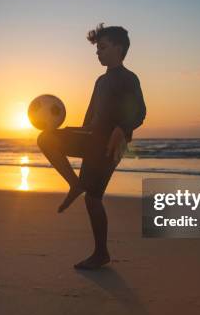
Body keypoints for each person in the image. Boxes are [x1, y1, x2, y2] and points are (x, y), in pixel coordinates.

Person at [37, 23, 146, 270]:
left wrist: (121, 129)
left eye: (103, 47)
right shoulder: (100, 81)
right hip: (92, 139)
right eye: (97, 49)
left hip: (109, 146)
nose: (98, 53)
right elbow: (91, 120)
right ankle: (75, 184)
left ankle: (101, 253)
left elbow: (139, 112)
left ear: (118, 48)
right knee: (46, 138)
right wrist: (70, 131)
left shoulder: (128, 78)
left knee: (93, 199)